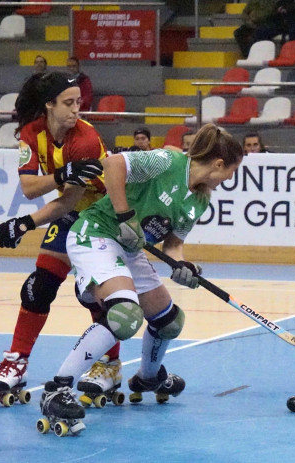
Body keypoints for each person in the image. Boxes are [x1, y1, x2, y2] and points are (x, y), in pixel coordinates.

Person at [37, 123, 244, 428]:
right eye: (231, 171)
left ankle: (149, 377)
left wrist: (183, 268)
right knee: (124, 314)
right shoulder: (167, 162)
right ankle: (58, 388)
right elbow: (113, 164)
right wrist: (125, 215)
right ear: (218, 164)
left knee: (169, 320)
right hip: (96, 233)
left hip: (128, 250)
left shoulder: (199, 200)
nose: (230, 179)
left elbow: (173, 246)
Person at [0, 72, 122, 405]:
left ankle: (110, 365)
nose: (77, 109)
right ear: (49, 104)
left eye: (78, 102)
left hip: (104, 215)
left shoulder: (85, 140)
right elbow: (30, 188)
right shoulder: (31, 134)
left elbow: (68, 201)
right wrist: (61, 175)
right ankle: (16, 361)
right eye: (69, 103)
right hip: (73, 215)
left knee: (93, 296)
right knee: (38, 285)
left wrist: (23, 224)